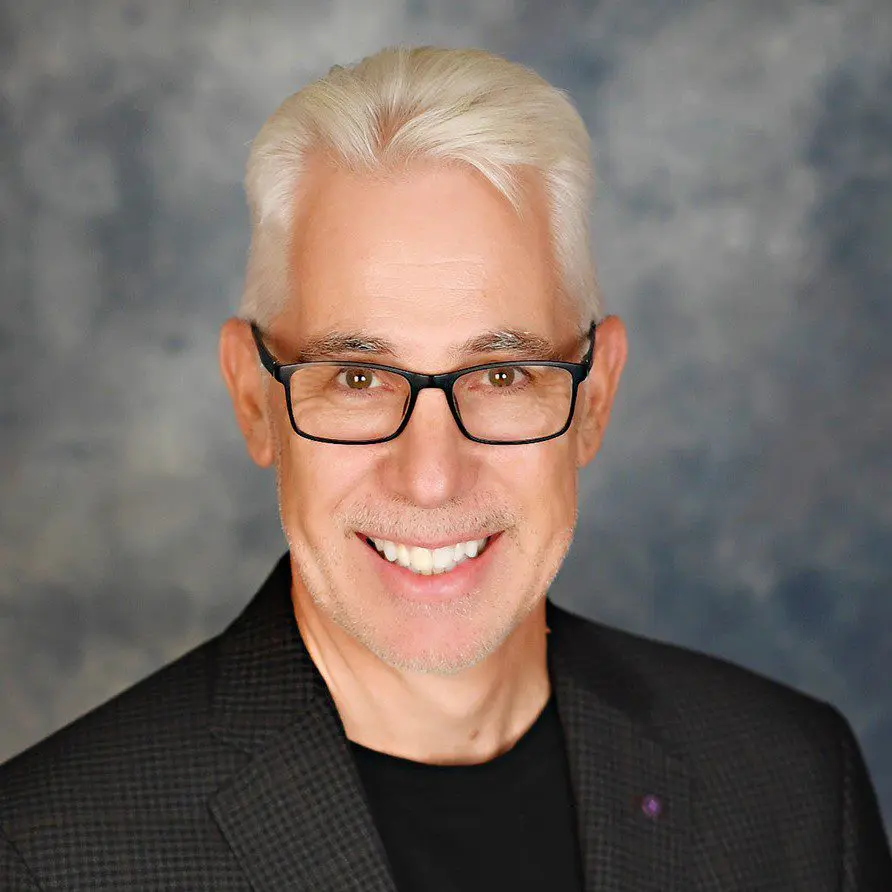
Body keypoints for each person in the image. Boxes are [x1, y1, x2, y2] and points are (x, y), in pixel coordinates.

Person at [1, 45, 890, 891]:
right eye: (356, 378)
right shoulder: (43, 855)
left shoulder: (793, 786)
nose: (431, 477)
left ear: (594, 398)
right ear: (252, 398)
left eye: (502, 375)